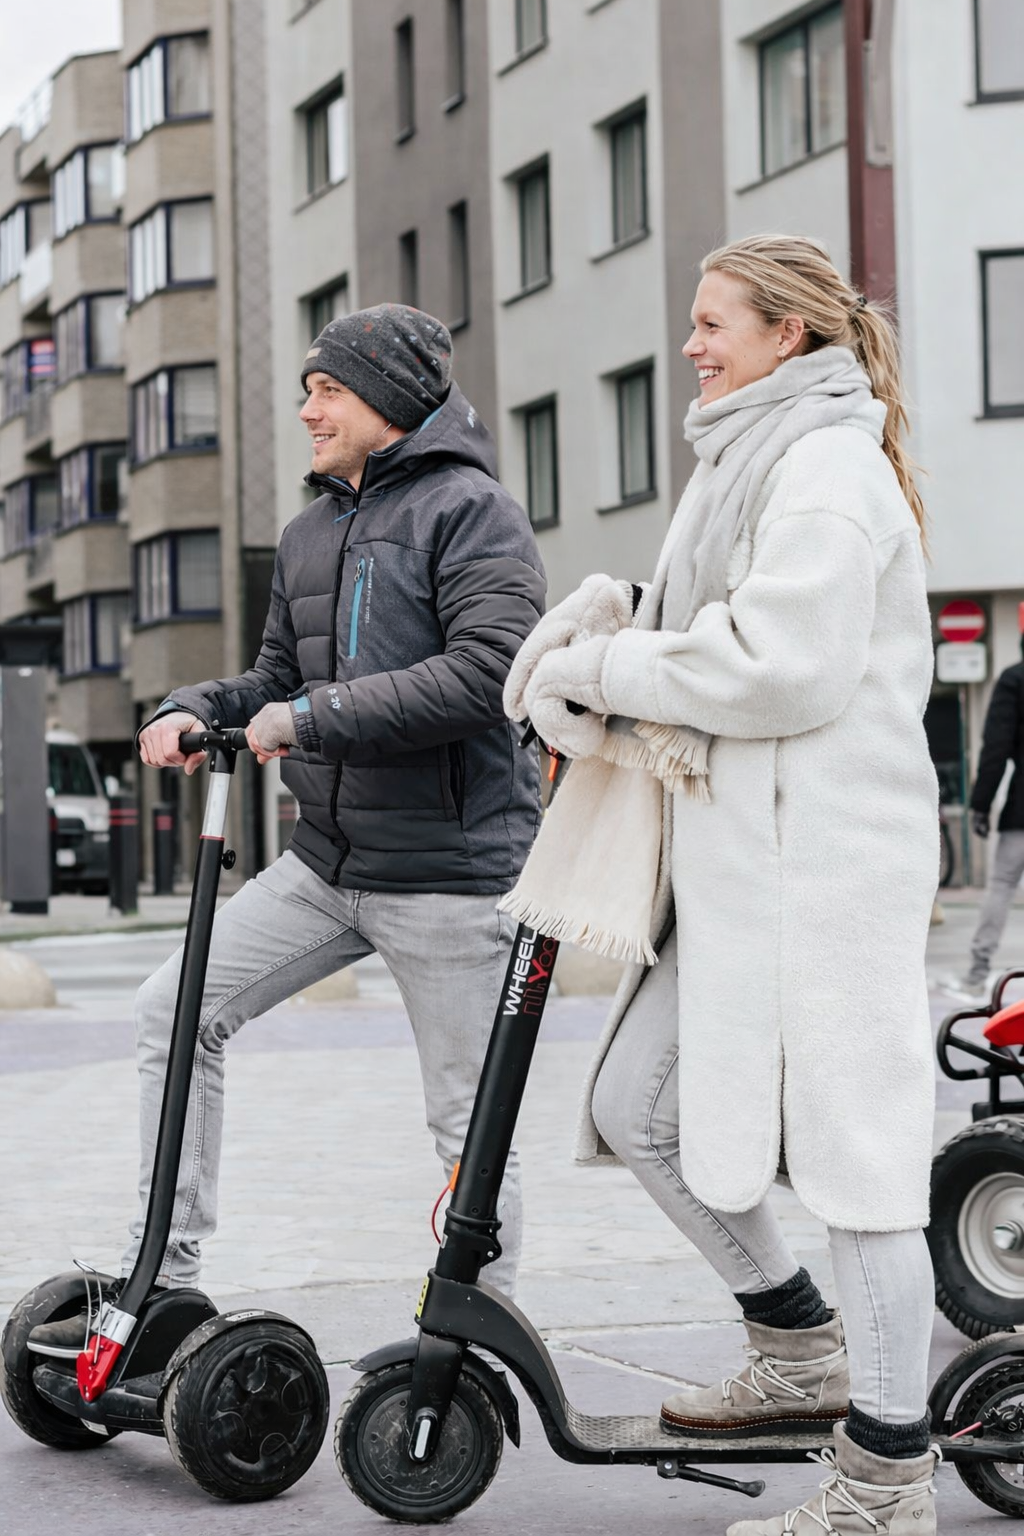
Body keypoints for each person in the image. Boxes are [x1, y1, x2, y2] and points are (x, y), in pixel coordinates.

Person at [502, 236, 941, 1535]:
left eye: (712, 323)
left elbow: (780, 665)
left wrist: (617, 669)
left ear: (786, 333)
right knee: (641, 1103)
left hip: (823, 871)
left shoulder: (821, 469)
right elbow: (723, 625)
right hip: (744, 868)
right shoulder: (752, 458)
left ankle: (887, 1479)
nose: (692, 344)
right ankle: (797, 1350)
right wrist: (623, 622)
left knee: (861, 1173)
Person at [29, 303, 545, 1356]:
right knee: (173, 1009)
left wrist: (308, 719)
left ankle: (464, 1351)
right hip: (327, 862)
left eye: (327, 389)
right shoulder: (313, 528)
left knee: (467, 1122)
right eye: (309, 387)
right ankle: (161, 1278)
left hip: (449, 874)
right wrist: (195, 707)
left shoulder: (473, 511)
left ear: (388, 400)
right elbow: (274, 679)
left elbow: (489, 673)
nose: (307, 408)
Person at [953, 635, 1024, 1002]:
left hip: (1021, 812)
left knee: (1001, 886)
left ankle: (977, 975)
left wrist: (980, 806)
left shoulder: (1014, 679)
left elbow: (995, 748)